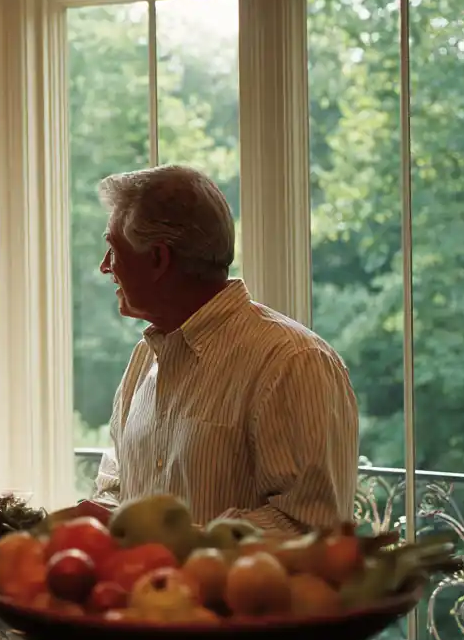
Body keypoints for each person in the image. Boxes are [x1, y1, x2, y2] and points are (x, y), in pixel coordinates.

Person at [83, 165, 359, 533]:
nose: (105, 267)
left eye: (113, 249)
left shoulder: (294, 362)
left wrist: (161, 542)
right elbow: (116, 487)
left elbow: (311, 531)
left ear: (158, 259)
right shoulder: (143, 359)